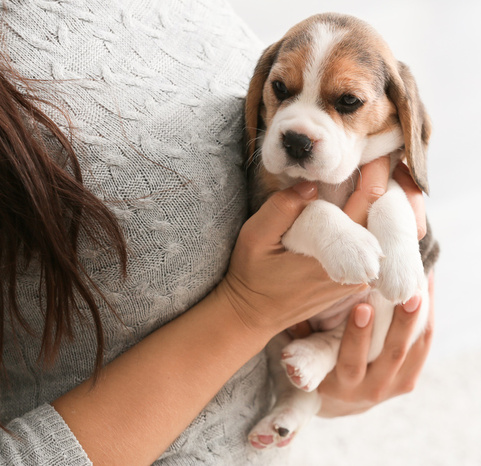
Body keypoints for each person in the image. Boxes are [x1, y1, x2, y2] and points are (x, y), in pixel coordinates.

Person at [0, 1, 434, 464]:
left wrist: (406, 234)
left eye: (347, 101)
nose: (299, 125)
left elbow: (407, 204)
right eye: (282, 92)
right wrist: (249, 311)